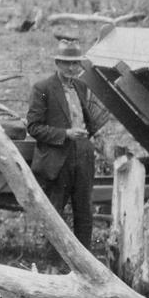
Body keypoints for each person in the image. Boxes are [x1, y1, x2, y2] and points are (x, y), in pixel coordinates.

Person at [26, 40, 99, 250]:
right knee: (55, 212)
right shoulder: (42, 88)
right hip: (58, 158)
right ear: (57, 63)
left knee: (84, 210)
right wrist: (65, 134)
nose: (71, 68)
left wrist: (90, 137)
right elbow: (34, 127)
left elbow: (87, 120)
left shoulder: (81, 87)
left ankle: (85, 260)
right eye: (66, 63)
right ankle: (55, 263)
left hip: (83, 154)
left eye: (75, 63)